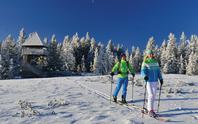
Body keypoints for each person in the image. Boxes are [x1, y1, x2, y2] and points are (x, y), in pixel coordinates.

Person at [141, 50, 163, 117]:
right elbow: (142, 71)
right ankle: (150, 111)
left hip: (155, 81)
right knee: (150, 95)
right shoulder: (145, 62)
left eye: (152, 54)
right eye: (149, 54)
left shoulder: (156, 62)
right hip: (149, 81)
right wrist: (145, 76)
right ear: (147, 55)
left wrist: (161, 78)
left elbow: (158, 71)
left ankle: (151, 109)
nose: (151, 55)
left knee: (153, 95)